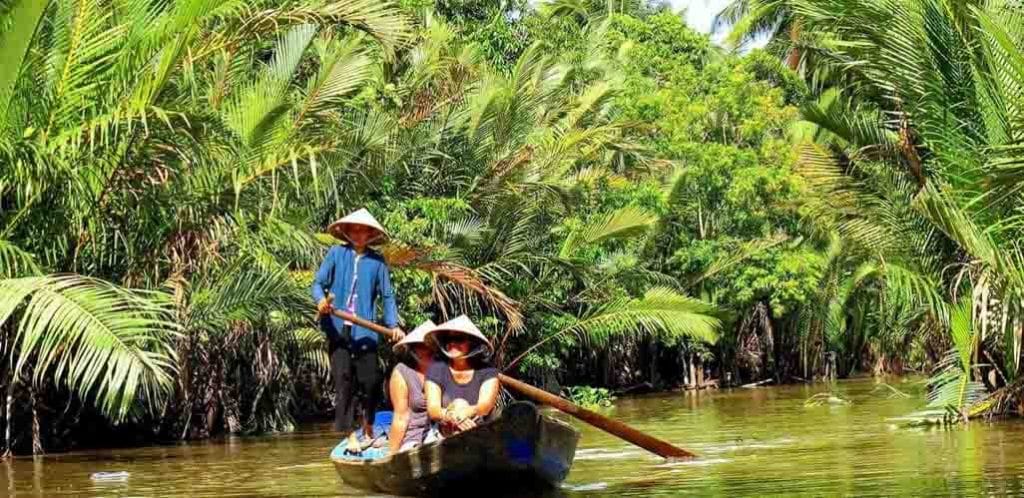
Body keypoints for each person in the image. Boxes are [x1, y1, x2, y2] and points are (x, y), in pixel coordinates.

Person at [313, 208, 405, 444]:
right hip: (337, 327)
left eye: (363, 231)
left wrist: (393, 324)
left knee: (371, 380)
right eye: (354, 230)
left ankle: (368, 425)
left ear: (370, 234)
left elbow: (387, 296)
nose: (358, 235)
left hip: (365, 331)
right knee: (343, 379)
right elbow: (318, 283)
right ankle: (350, 434)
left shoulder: (377, 262)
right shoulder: (336, 254)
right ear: (347, 232)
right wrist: (321, 301)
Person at [424, 315, 500, 435]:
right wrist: (453, 416)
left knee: (461, 405)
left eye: (459, 339)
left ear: (471, 343)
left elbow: (485, 406)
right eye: (448, 339)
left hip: (478, 430)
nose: (452, 343)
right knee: (458, 404)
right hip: (444, 433)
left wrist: (465, 413)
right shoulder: (436, 369)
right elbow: (433, 409)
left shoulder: (487, 371)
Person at [387, 319, 437, 454]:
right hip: (414, 437)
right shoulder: (403, 372)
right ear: (414, 349)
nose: (427, 349)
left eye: (432, 345)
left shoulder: (444, 369)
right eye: (422, 345)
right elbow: (400, 417)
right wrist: (391, 456)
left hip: (441, 432)